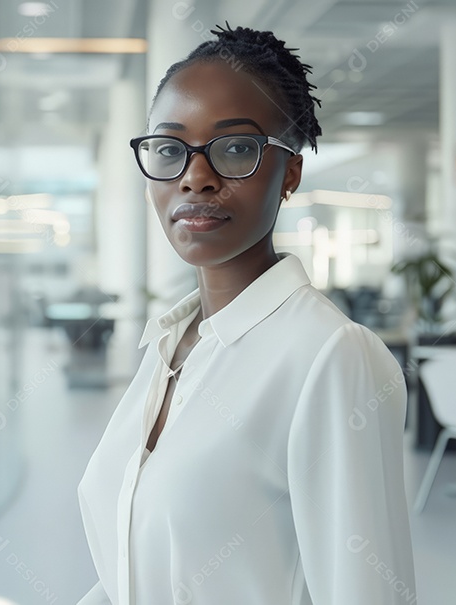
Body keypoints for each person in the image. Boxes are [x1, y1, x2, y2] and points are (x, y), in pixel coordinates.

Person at [76, 24, 417, 604]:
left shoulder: (330, 356)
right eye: (169, 149)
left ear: (289, 173)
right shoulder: (170, 345)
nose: (196, 176)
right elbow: (132, 575)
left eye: (236, 148)